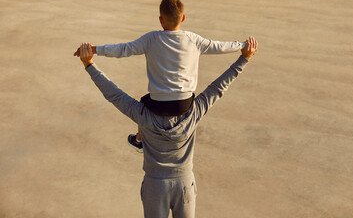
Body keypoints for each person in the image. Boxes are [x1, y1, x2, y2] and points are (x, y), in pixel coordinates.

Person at [77, 36, 258, 218]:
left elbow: (114, 94)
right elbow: (218, 87)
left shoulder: (144, 114)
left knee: (140, 102)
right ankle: (140, 140)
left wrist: (89, 64)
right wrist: (244, 59)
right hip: (185, 184)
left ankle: (140, 140)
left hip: (155, 186)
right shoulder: (193, 112)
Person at [74, 0, 247, 153]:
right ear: (183, 18)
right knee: (163, 100)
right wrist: (242, 45)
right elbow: (220, 46)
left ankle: (140, 140)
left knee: (144, 103)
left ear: (160, 20)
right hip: (185, 105)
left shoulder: (151, 39)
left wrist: (95, 49)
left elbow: (123, 49)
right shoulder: (194, 40)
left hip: (158, 105)